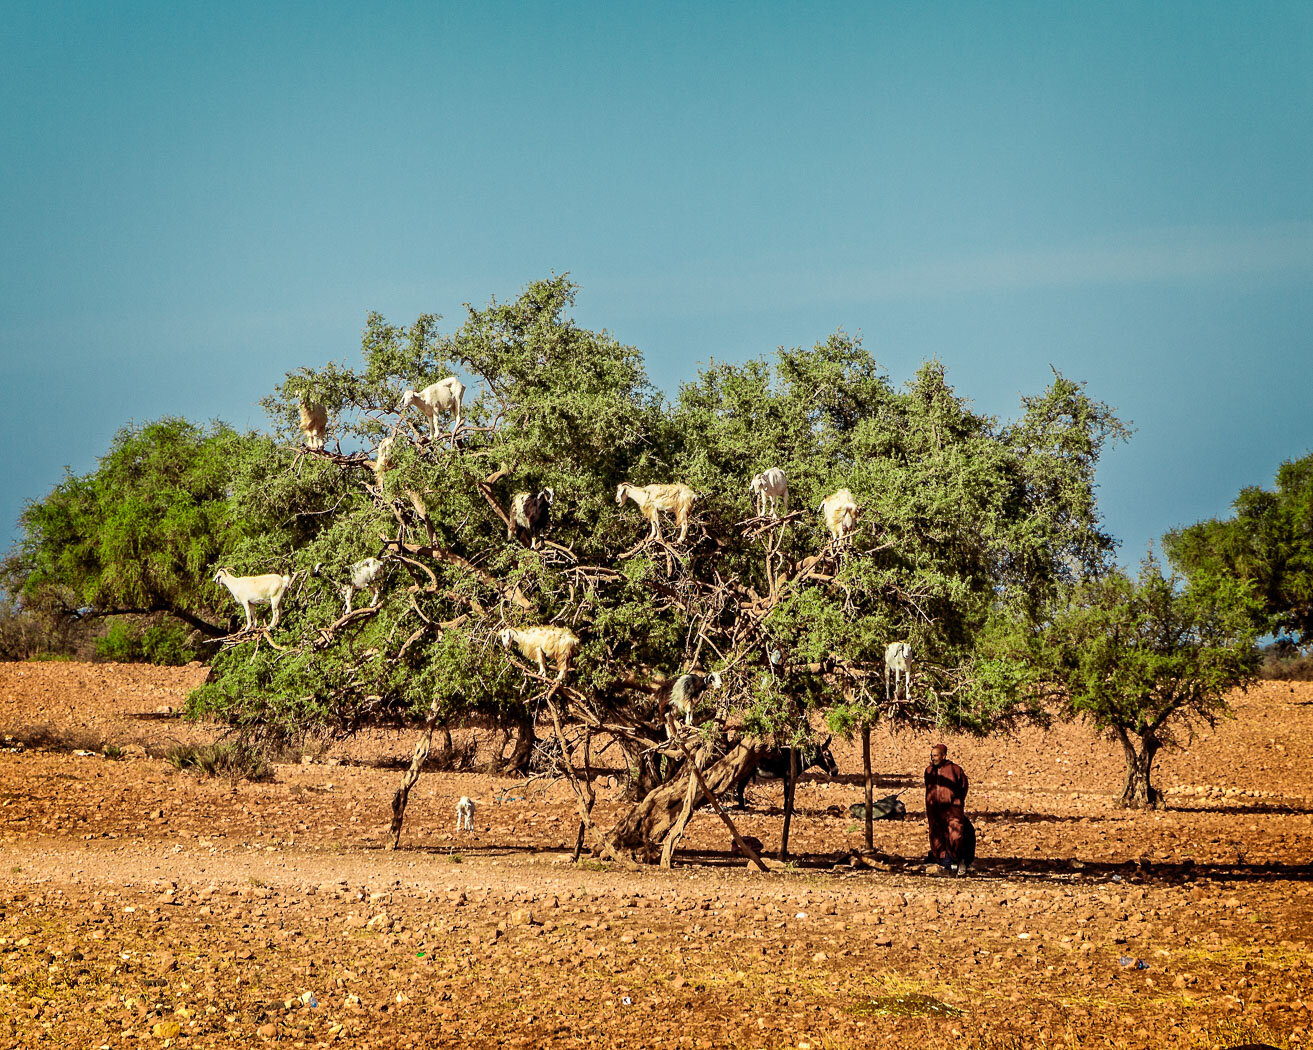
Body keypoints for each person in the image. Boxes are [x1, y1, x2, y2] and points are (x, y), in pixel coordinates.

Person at [924, 743, 970, 875]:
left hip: (952, 808)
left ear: (943, 756)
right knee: (936, 835)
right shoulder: (928, 771)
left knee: (955, 834)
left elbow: (963, 787)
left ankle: (956, 858)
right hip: (934, 809)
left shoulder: (955, 770)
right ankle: (944, 862)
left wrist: (956, 801)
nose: (933, 758)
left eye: (936, 755)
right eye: (932, 755)